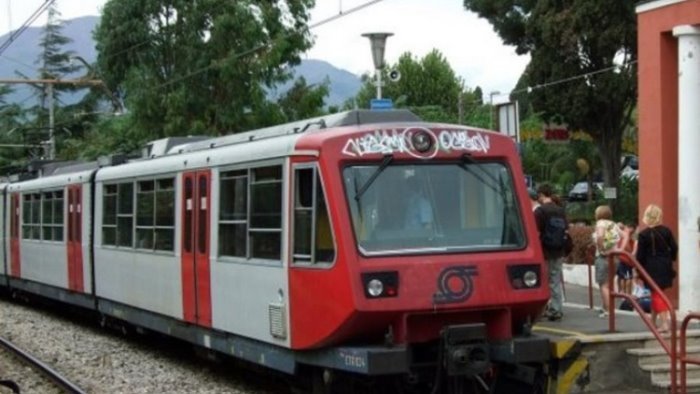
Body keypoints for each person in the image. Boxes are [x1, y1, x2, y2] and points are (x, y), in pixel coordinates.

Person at [635, 204, 677, 333]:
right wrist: (671, 259)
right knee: (657, 293)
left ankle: (665, 323)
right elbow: (674, 248)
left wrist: (638, 272)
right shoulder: (666, 231)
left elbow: (640, 256)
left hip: (651, 267)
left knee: (656, 294)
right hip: (665, 265)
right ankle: (652, 322)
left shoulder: (643, 235)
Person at [534, 183, 569, 321]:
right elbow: (566, 230)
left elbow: (536, 232)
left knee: (543, 281)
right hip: (559, 250)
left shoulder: (540, 212)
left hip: (544, 251)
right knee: (555, 280)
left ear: (541, 195)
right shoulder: (560, 210)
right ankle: (557, 309)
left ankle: (544, 309)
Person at [592, 205, 630, 318]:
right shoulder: (613, 224)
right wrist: (620, 249)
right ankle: (605, 308)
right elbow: (626, 235)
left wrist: (601, 249)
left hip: (603, 257)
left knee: (603, 285)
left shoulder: (600, 223)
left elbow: (600, 236)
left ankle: (608, 311)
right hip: (615, 257)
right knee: (609, 284)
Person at [616, 223, 637, 296]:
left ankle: (623, 293)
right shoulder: (626, 238)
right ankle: (626, 294)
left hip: (623, 260)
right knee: (627, 278)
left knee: (623, 277)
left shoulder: (624, 238)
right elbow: (630, 251)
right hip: (626, 261)